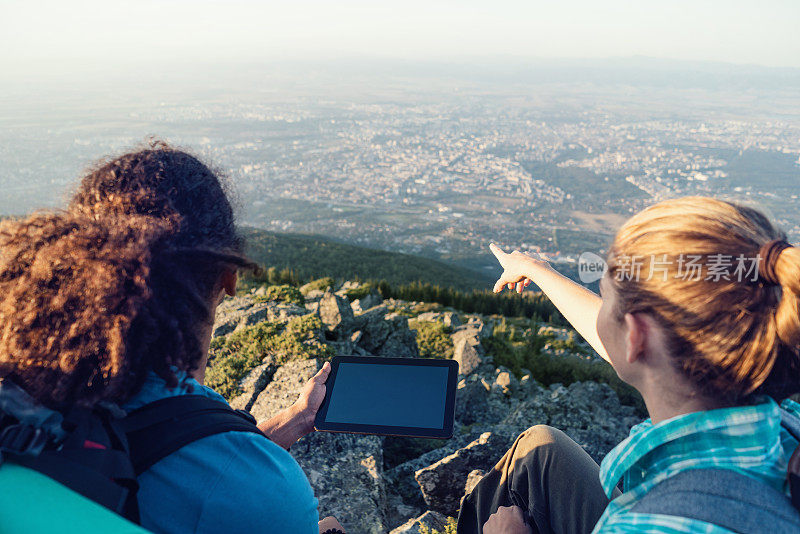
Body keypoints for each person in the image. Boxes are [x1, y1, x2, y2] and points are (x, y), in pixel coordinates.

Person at [0, 141, 345, 534]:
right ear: (228, 277)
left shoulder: (34, 389)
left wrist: (295, 419)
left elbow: (165, 449)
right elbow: (207, 478)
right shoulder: (268, 492)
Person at [463, 196, 800, 534]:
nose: (602, 308)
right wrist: (540, 272)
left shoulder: (644, 526)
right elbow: (638, 342)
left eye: (605, 296)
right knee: (541, 450)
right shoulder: (783, 420)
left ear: (637, 337)